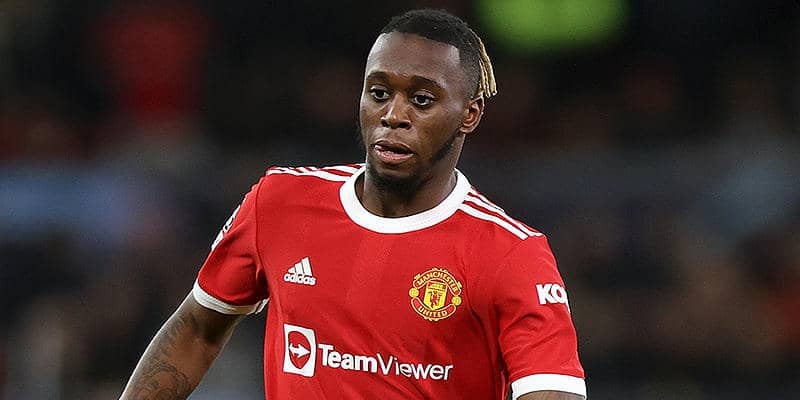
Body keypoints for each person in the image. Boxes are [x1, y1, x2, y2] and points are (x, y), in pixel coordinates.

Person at [119, 9, 586, 400]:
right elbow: (197, 331)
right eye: (379, 93)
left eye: (422, 100)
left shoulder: (512, 254)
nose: (393, 115)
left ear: (470, 113)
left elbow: (551, 392)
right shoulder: (279, 203)